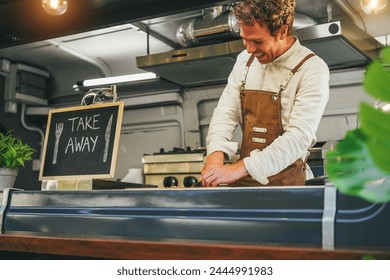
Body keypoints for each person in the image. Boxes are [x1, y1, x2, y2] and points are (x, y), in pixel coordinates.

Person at [200, 0, 329, 187]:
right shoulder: (244, 61)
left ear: (282, 31)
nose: (249, 49)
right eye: (244, 39)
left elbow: (298, 138)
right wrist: (215, 155)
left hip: (286, 185)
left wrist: (238, 169)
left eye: (257, 41)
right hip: (244, 181)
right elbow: (225, 113)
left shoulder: (312, 69)